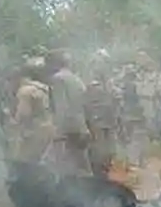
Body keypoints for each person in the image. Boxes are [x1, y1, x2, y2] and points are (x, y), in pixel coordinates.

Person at [46, 49, 91, 174]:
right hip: (80, 125)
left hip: (68, 128)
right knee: (81, 163)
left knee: (62, 165)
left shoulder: (58, 79)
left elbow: (62, 106)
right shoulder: (76, 79)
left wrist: (58, 132)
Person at [8, 56, 55, 166]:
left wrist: (12, 121)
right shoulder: (42, 88)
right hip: (47, 129)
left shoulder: (25, 91)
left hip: (33, 133)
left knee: (25, 165)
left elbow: (24, 114)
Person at [84, 50, 119, 178]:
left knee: (109, 152)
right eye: (99, 63)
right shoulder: (88, 83)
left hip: (110, 122)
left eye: (105, 63)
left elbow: (115, 101)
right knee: (98, 153)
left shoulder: (111, 83)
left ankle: (105, 174)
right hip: (96, 123)